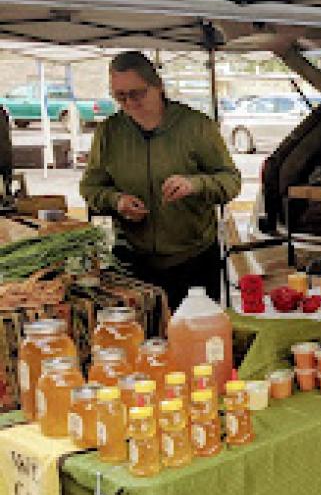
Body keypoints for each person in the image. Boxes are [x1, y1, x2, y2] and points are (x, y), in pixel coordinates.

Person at [81, 51, 241, 308]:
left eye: (137, 93)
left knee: (194, 340)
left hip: (193, 261)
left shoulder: (196, 126)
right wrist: (116, 200)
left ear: (158, 86)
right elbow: (91, 186)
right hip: (132, 263)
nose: (130, 103)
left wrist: (195, 184)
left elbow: (230, 181)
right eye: (120, 96)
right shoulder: (109, 132)